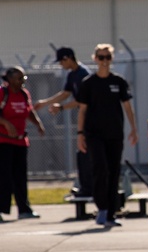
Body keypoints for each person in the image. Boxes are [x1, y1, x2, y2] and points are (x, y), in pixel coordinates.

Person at [76, 44, 138, 228]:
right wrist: (80, 134)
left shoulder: (118, 82)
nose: (104, 61)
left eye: (107, 58)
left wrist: (134, 129)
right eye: (101, 58)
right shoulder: (88, 83)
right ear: (95, 59)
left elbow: (127, 107)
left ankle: (111, 214)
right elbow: (82, 110)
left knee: (113, 172)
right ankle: (101, 208)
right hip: (94, 134)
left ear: (111, 60)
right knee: (100, 169)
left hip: (115, 134)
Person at [33, 47, 93, 197]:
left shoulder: (83, 74)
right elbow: (66, 93)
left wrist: (61, 108)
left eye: (61, 61)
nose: (61, 65)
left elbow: (82, 100)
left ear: (68, 58)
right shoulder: (72, 75)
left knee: (86, 153)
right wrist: (46, 102)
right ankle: (86, 186)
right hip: (84, 117)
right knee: (82, 153)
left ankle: (89, 188)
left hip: (91, 118)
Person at [0, 67, 45, 222]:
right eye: (19, 78)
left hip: (20, 141)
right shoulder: (2, 93)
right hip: (3, 141)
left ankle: (24, 209)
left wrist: (38, 124)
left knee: (20, 177)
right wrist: (5, 123)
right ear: (10, 80)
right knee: (3, 176)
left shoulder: (24, 94)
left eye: (23, 78)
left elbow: (29, 110)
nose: (22, 81)